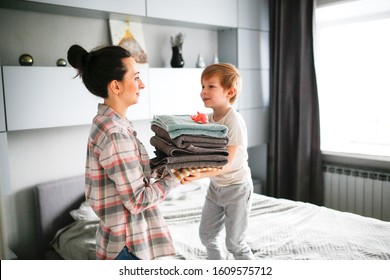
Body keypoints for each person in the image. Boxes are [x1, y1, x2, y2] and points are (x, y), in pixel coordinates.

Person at [67, 44, 184, 260]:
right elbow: (137, 200)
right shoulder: (115, 133)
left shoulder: (108, 123)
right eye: (136, 77)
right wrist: (176, 178)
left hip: (122, 241)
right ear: (116, 86)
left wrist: (166, 169)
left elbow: (135, 177)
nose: (142, 85)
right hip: (128, 246)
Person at [181, 63, 255, 260]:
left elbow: (226, 164)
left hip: (237, 188)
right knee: (207, 236)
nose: (203, 92)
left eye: (210, 86)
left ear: (229, 92)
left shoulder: (234, 121)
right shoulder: (209, 119)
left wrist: (199, 175)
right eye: (202, 86)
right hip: (216, 188)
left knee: (234, 243)